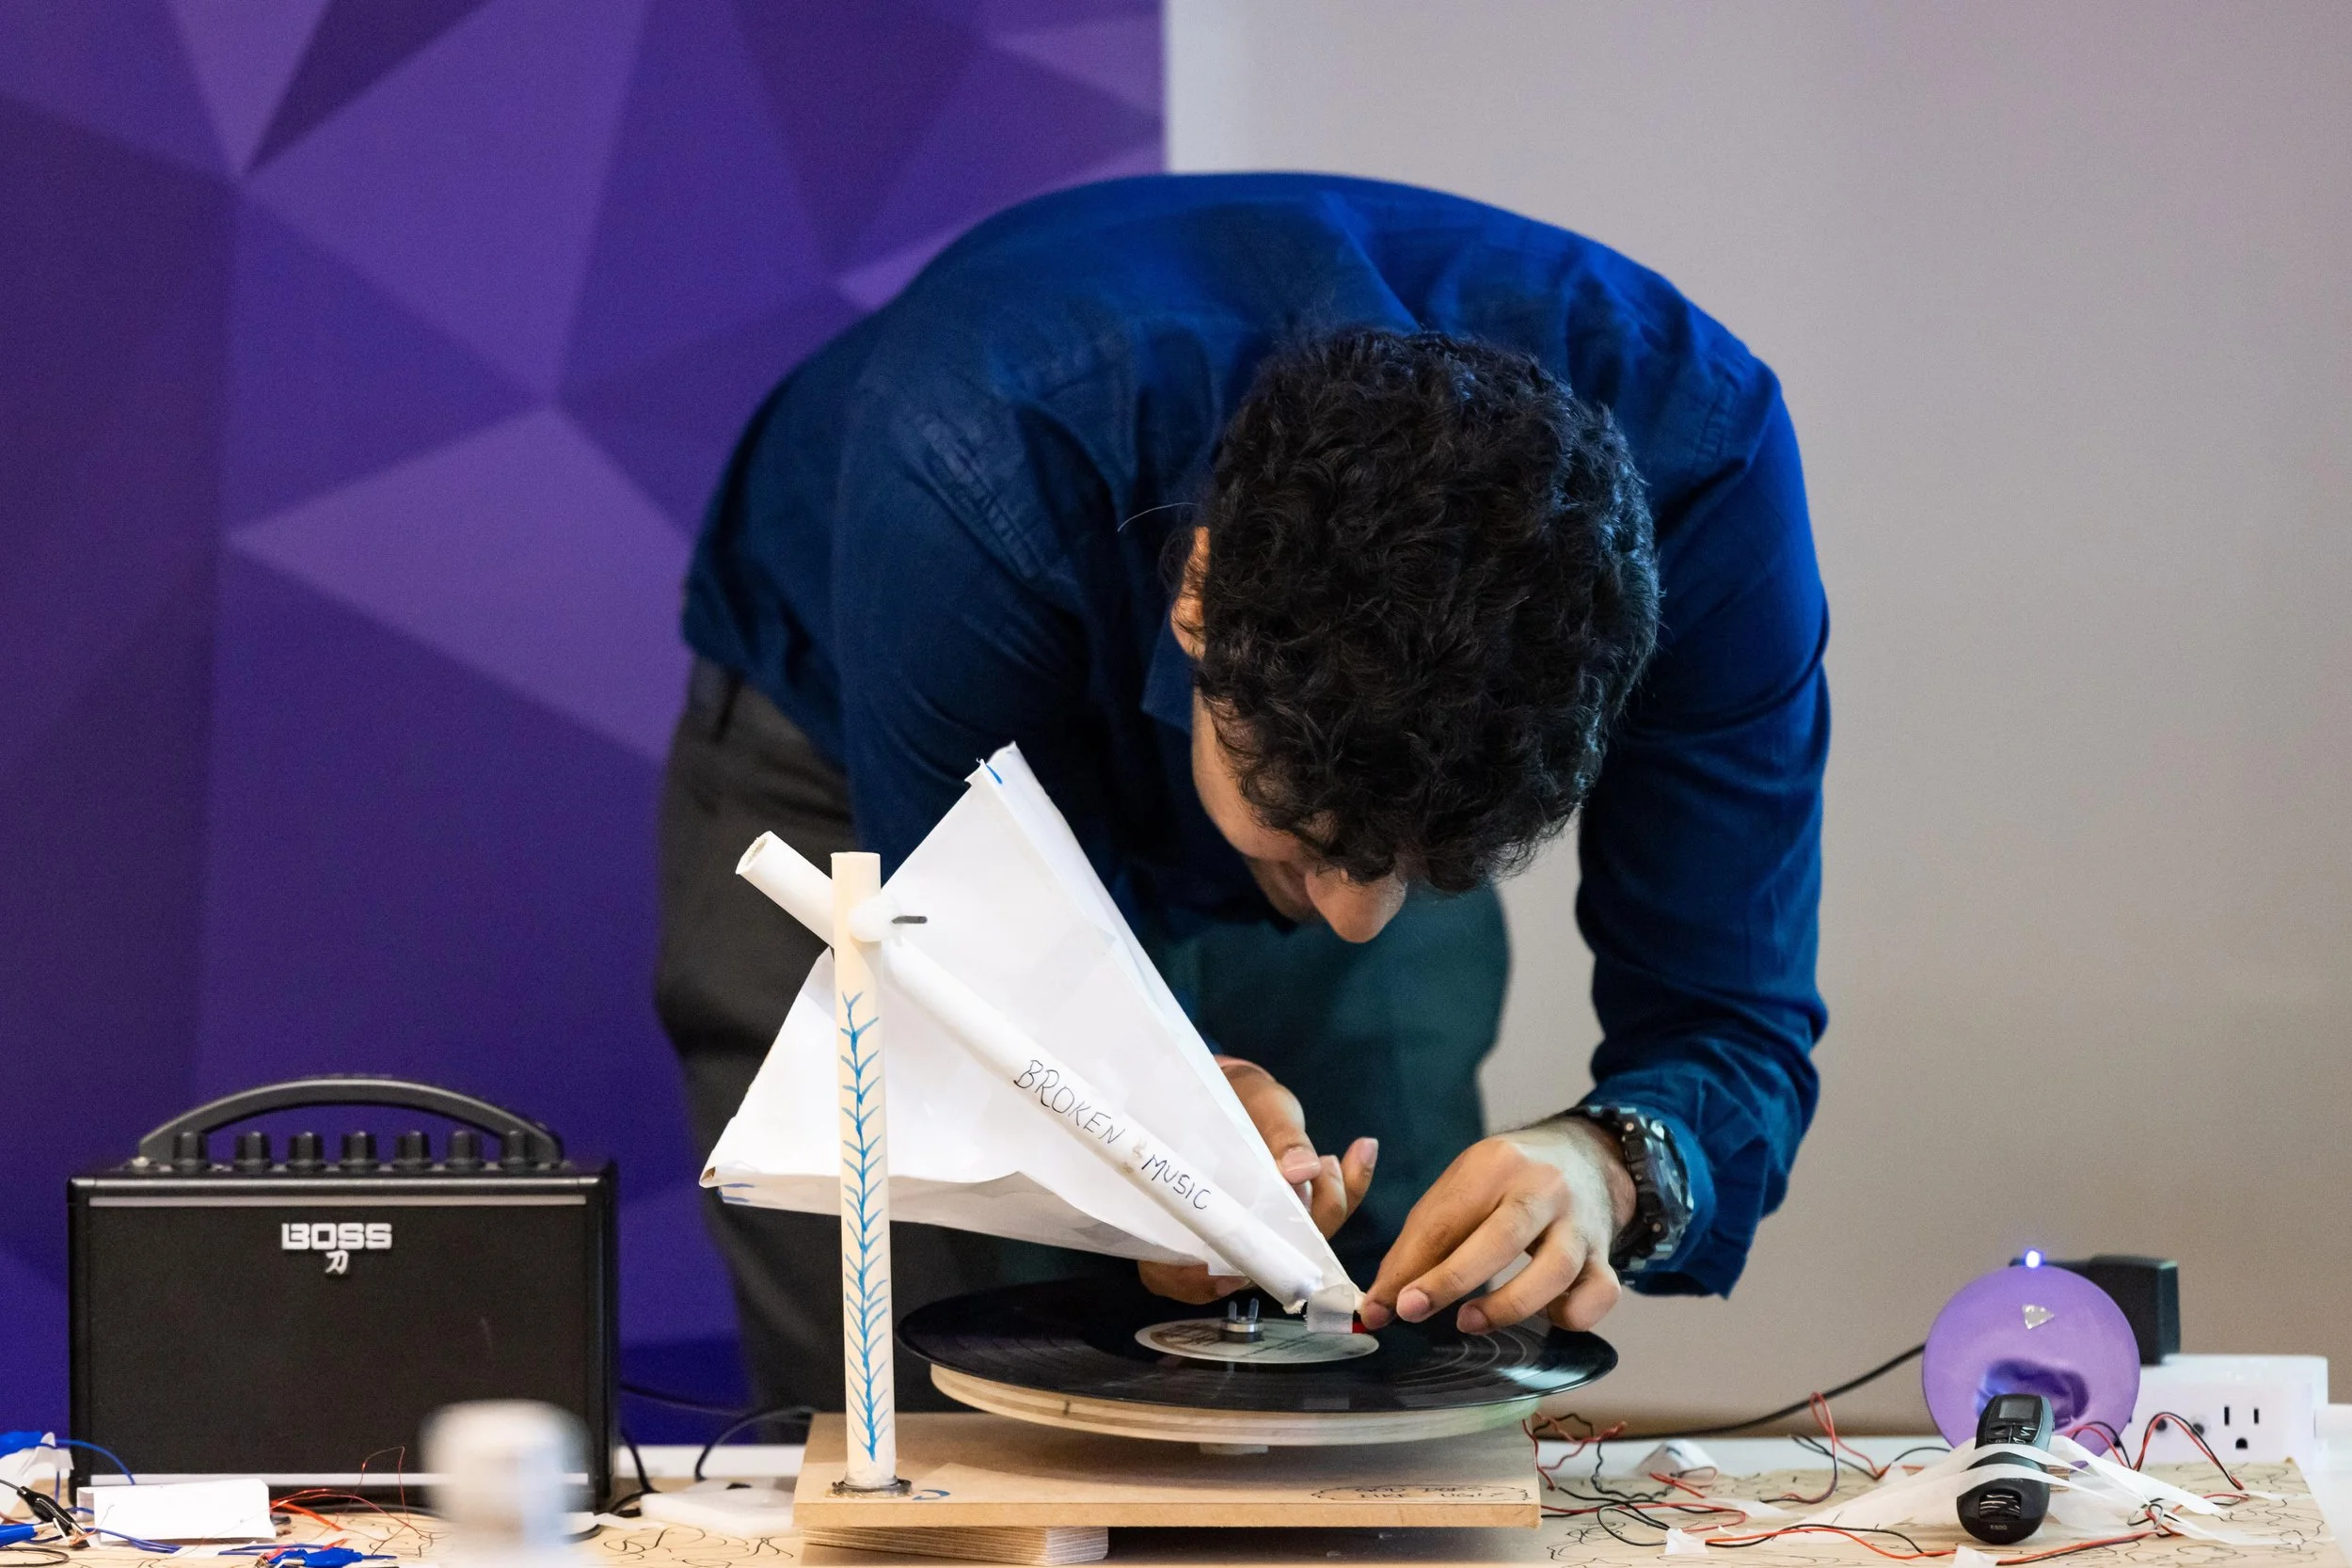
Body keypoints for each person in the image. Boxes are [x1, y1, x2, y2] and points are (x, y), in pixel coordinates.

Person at [657, 172, 1826, 1417]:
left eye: (1438, 868)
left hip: (1342, 742)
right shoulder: (971, 449)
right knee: (926, 1396)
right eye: (1318, 843)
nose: (1358, 919)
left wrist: (1608, 1161)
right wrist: (1126, 1113)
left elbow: (1729, 1019)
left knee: (1394, 1367)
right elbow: (987, 969)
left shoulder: (1705, 473)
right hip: (865, 744)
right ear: (1201, 600)